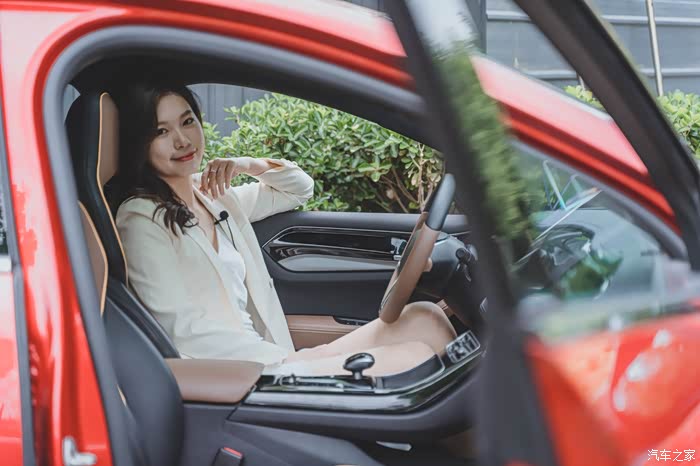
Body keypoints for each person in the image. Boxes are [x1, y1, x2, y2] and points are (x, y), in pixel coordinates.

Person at [111, 81, 456, 376]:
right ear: (140, 144)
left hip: (272, 355)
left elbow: (299, 188)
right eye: (161, 131)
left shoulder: (213, 194)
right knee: (416, 358)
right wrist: (291, 361)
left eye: (187, 122)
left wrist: (247, 165)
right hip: (238, 374)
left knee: (425, 318)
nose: (182, 140)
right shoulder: (140, 217)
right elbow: (182, 331)